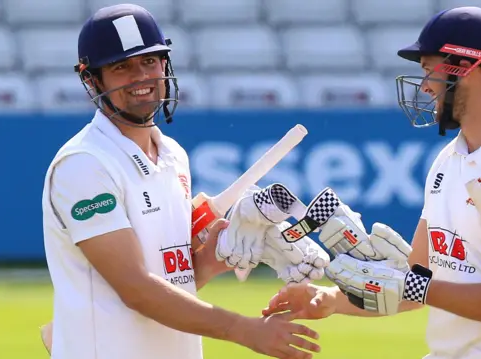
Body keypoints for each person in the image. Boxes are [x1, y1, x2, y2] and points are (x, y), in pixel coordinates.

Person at [262, 6, 481, 359]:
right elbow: (413, 279)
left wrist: (417, 286)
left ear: (466, 67)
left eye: (430, 70)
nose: (426, 86)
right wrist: (331, 300)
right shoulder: (448, 160)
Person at [41, 4, 322, 359]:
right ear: (93, 79)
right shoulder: (84, 165)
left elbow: (172, 280)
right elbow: (136, 289)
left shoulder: (173, 155)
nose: (140, 76)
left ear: (165, 65)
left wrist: (213, 258)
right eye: (121, 67)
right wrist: (243, 329)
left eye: (149, 61)